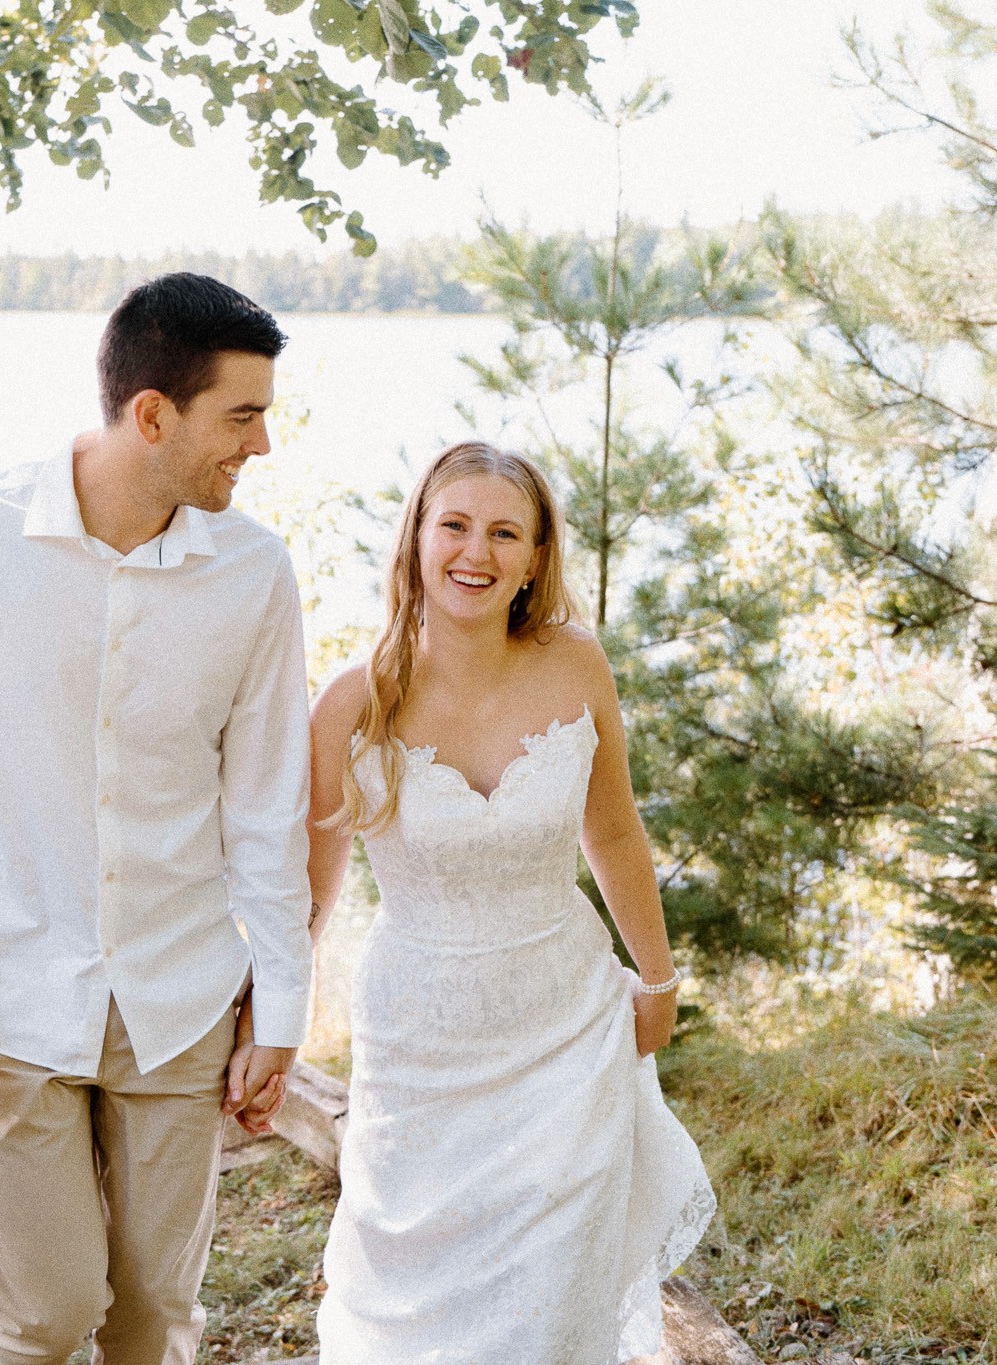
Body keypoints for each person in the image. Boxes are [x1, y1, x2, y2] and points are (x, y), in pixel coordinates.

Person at [0, 272, 315, 1365]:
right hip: (5, 999)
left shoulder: (253, 572)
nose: (262, 446)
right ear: (153, 414)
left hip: (180, 996)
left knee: (153, 1318)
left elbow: (264, 808)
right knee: (46, 1310)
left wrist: (280, 1002)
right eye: (242, 416)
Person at [306, 441, 715, 1364]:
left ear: (536, 557)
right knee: (416, 1302)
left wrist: (658, 976)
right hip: (422, 1045)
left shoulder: (576, 665)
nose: (475, 553)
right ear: (416, 537)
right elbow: (307, 899)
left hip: (565, 1029)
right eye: (454, 525)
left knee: (552, 1306)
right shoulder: (352, 703)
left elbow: (611, 833)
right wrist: (266, 1033)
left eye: (504, 533)